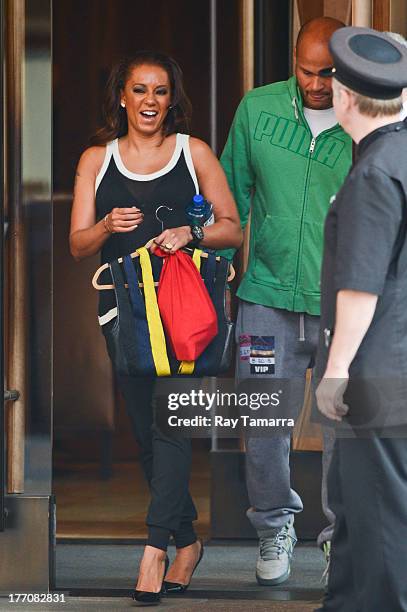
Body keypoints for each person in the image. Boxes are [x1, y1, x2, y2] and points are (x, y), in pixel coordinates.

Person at [70, 51, 242, 604]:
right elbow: (77, 246)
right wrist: (103, 225)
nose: (149, 101)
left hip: (183, 317)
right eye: (139, 90)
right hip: (124, 317)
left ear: (173, 99)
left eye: (160, 91)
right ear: (122, 96)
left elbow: (232, 230)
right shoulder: (97, 160)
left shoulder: (194, 153)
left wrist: (191, 236)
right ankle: (188, 540)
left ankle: (155, 551)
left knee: (169, 425)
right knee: (146, 435)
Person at [219, 17, 352, 585]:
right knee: (265, 421)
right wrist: (219, 277)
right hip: (266, 297)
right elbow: (231, 196)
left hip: (342, 307)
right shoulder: (258, 109)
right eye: (306, 71)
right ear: (292, 64)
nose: (317, 84)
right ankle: (274, 526)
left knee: (345, 427)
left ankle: (340, 541)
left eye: (329, 73)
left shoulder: (370, 118)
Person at [315, 27, 407, 611]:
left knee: (378, 516)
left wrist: (336, 371)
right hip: (395, 362)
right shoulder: (398, 151)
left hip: (374, 367)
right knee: (356, 504)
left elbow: (361, 287)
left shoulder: (374, 172)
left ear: (345, 97)